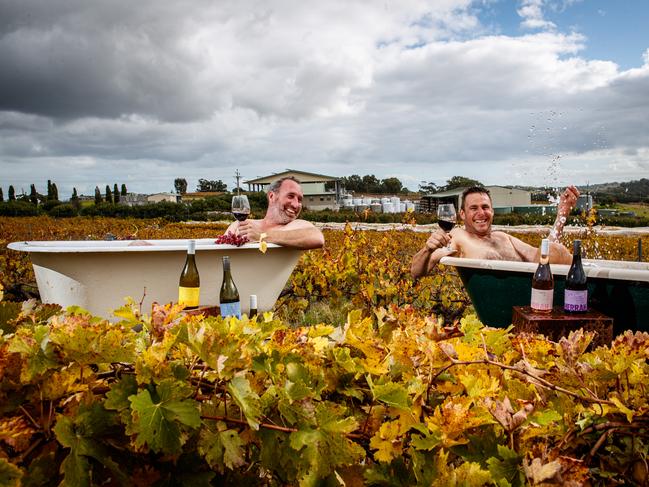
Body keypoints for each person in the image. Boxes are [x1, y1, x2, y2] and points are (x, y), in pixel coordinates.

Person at [411, 185, 580, 279]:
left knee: (553, 249)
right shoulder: (457, 236)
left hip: (532, 288)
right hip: (516, 296)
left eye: (485, 207)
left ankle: (584, 277)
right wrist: (428, 249)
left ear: (493, 211)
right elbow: (417, 272)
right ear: (462, 214)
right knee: (555, 251)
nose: (481, 213)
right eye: (473, 208)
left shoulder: (503, 237)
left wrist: (562, 215)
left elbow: (543, 255)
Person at [226, 176, 325, 250]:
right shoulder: (238, 225)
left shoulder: (296, 225)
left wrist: (261, 236)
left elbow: (317, 237)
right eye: (290, 196)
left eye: (299, 200)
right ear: (272, 196)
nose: (296, 205)